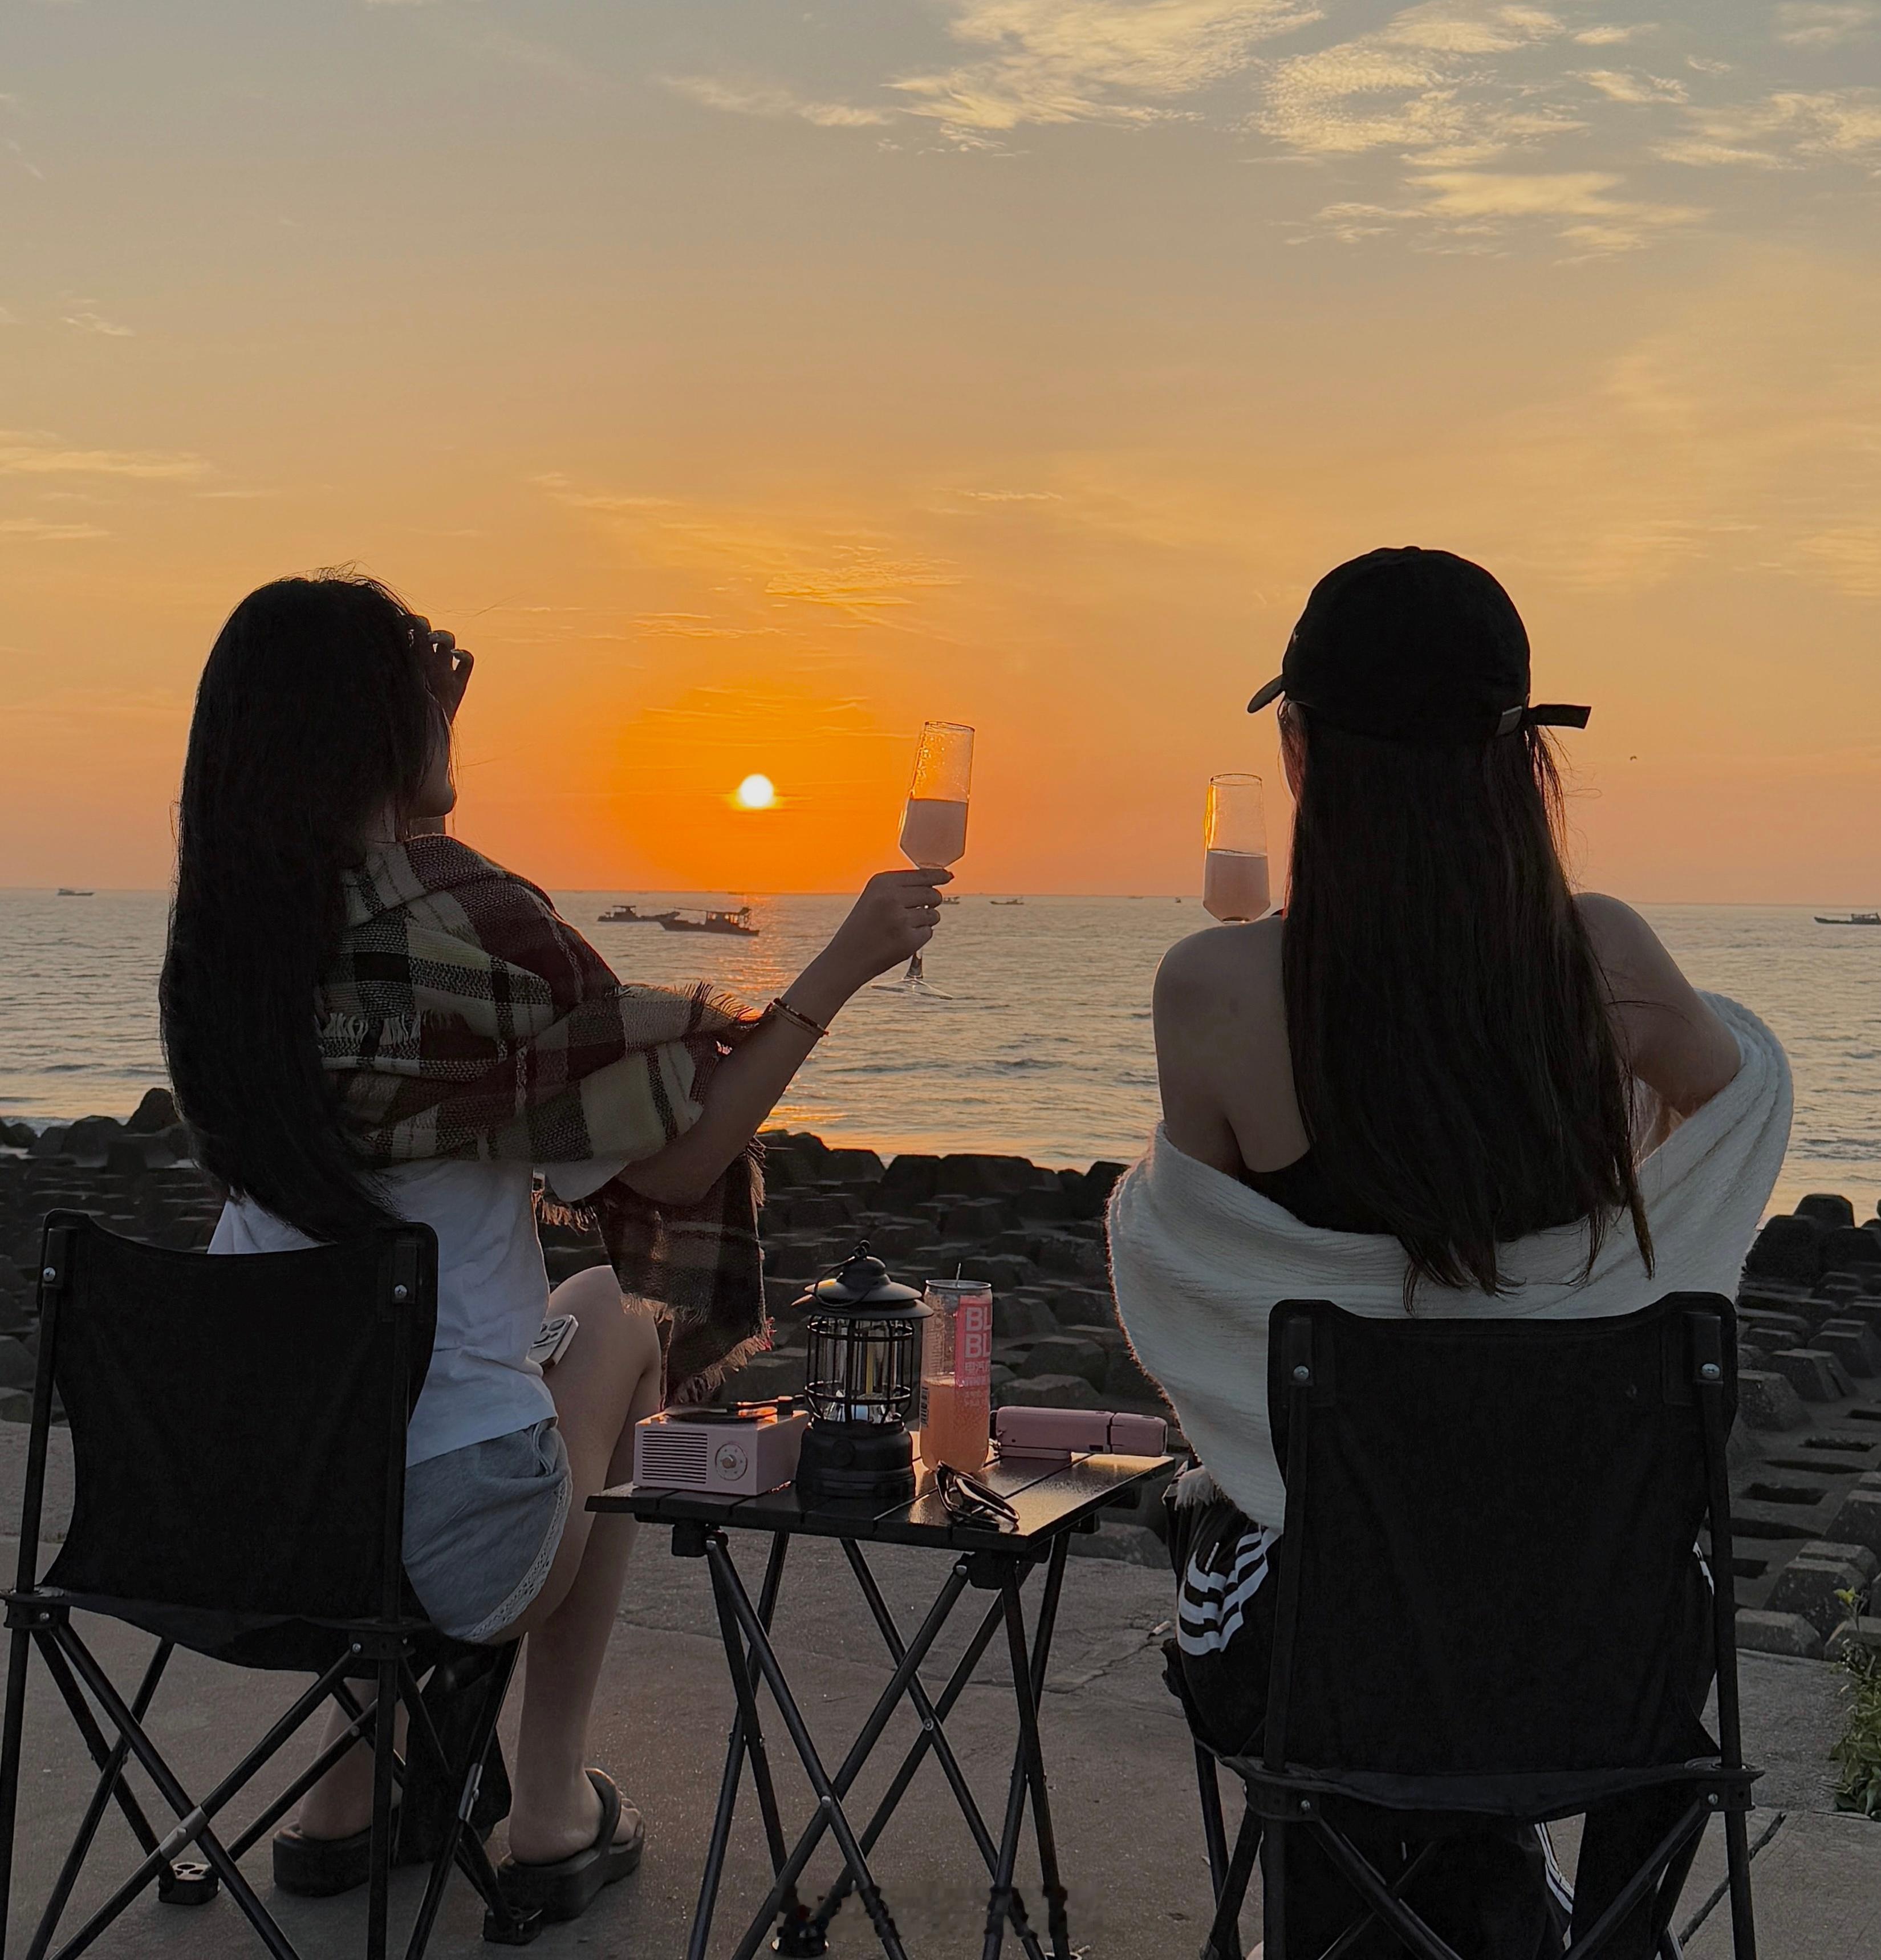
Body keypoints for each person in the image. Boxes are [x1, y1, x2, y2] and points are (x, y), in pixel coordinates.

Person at [160, 573, 948, 1921]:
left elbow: (380, 913)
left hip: (233, 1525)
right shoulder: (477, 931)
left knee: (380, 1383)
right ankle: (547, 1805)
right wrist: (841, 967)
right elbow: (683, 1159)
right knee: (622, 1316)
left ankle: (347, 1795)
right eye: (427, 685)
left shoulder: (222, 962)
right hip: (450, 1541)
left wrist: (410, 768)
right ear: (377, 731)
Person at [1108, 546, 1792, 1960]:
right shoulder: (1603, 963)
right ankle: (1537, 1906)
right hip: (1602, 1654)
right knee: (1518, 1587)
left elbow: (1213, 1280)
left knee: (1240, 1523)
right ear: (1521, 759)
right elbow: (1745, 1098)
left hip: (1331, 1666)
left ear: (1301, 751)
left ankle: (1395, 1911)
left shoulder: (1215, 987)